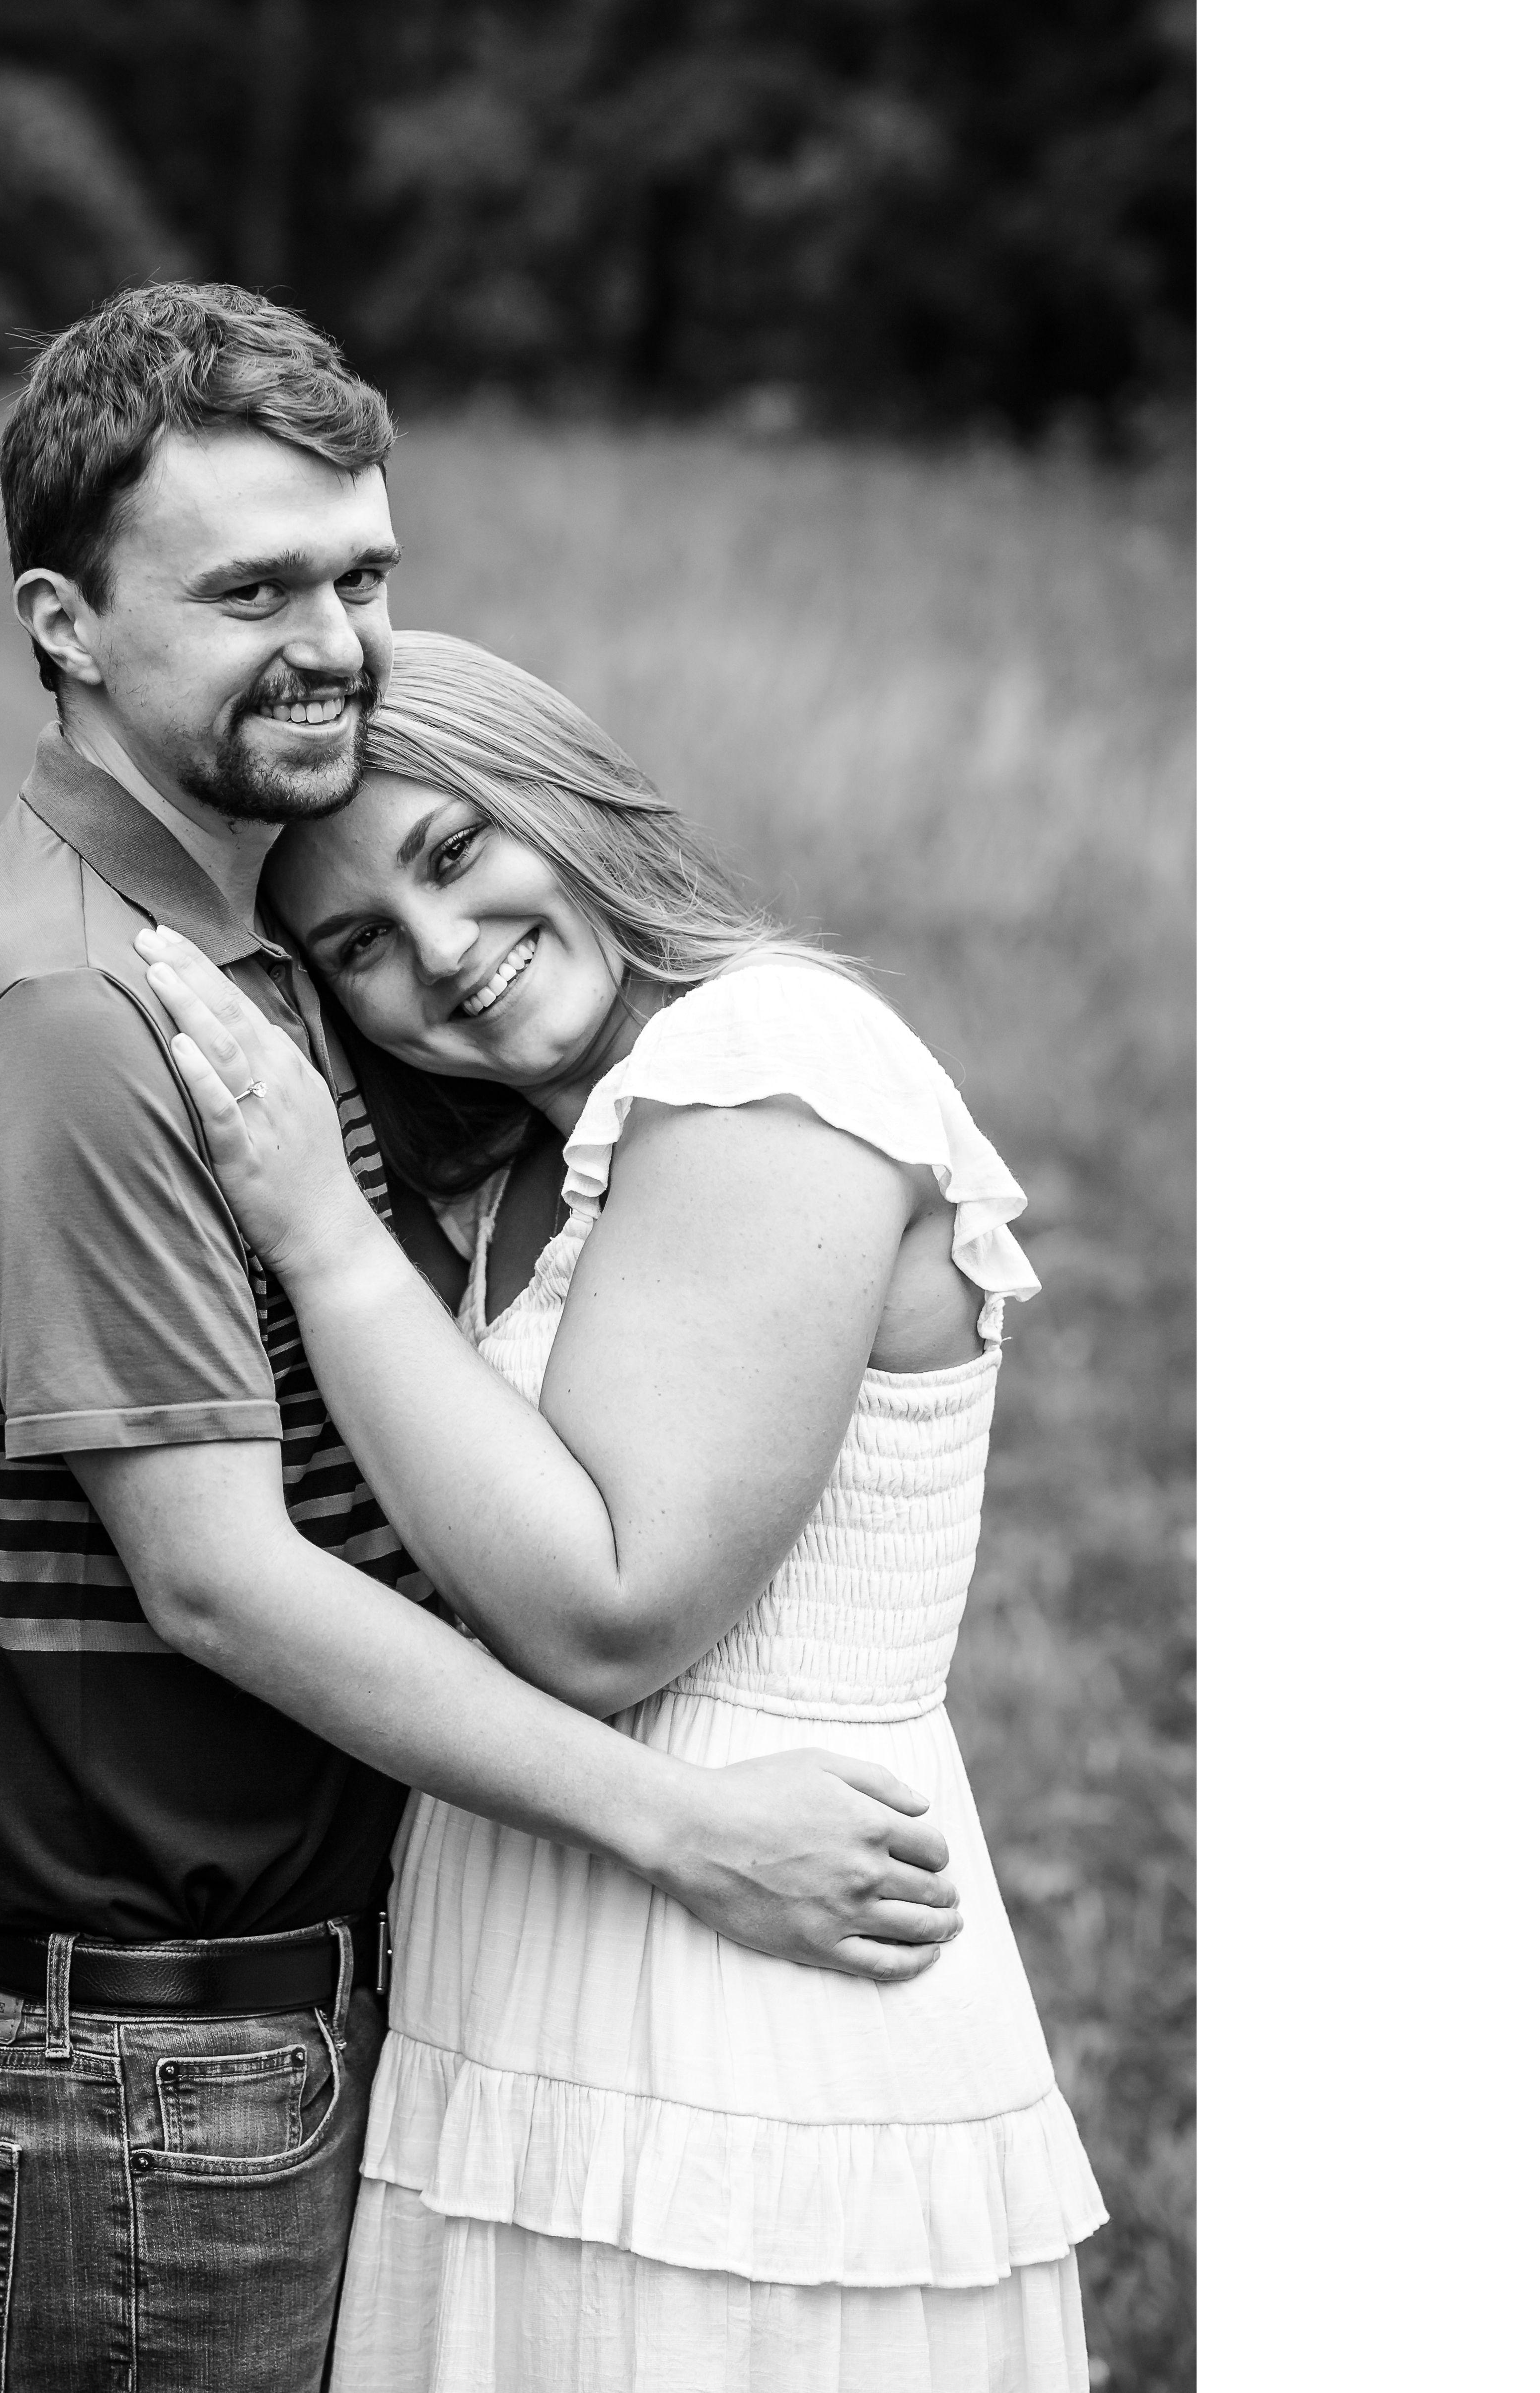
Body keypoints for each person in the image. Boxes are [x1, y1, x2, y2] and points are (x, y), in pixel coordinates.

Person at [0, 285, 968, 2392]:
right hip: (150, 2033)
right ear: (64, 623)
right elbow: (215, 1573)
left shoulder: (245, 954)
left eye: (358, 574)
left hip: (309, 1992)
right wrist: (679, 1826)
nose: (332, 641)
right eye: (249, 588)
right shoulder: (85, 1012)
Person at [137, 629, 1109, 2392]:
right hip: (541, 1974)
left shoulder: (773, 1060)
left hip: (754, 1992)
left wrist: (317, 1228)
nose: (444, 950)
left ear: (565, 795)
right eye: (360, 943)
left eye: (455, 852)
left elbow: (609, 1614)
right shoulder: (543, 1156)